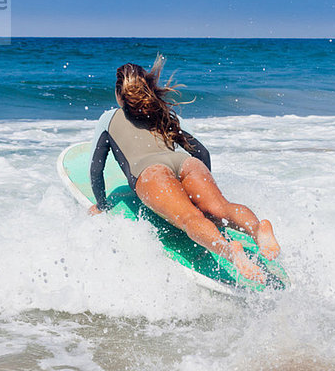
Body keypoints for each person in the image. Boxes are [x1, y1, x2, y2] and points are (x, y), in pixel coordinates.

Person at [88, 54, 280, 282]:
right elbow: (201, 153)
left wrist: (101, 205)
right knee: (220, 207)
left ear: (119, 94)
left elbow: (96, 166)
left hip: (152, 173)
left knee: (190, 218)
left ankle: (231, 252)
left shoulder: (108, 118)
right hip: (185, 163)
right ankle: (258, 229)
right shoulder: (162, 113)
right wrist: (199, 190)